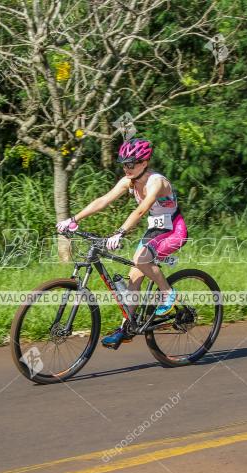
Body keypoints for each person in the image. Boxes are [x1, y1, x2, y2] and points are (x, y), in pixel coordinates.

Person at [56, 137, 187, 349]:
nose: (126, 168)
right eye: (124, 164)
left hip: (174, 230)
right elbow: (103, 200)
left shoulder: (157, 182)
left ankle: (167, 293)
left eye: (130, 164)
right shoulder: (129, 181)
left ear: (144, 163)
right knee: (134, 276)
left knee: (140, 260)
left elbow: (141, 209)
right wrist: (74, 219)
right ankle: (127, 327)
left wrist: (120, 232)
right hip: (155, 231)